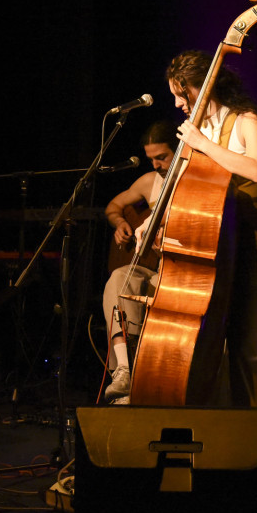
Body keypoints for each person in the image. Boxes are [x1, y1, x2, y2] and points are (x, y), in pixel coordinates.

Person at [131, 50, 257, 408]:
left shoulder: (244, 120)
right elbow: (181, 188)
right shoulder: (197, 131)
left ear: (203, 86)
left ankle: (252, 432)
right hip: (212, 244)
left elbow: (255, 169)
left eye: (183, 94)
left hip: (246, 241)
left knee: (244, 346)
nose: (179, 104)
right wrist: (150, 222)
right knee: (204, 341)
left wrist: (204, 145)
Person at [101, 121, 176, 403]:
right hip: (155, 266)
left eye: (162, 157)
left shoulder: (195, 178)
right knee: (119, 278)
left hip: (181, 270)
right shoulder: (149, 182)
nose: (156, 164)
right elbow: (113, 206)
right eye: (151, 159)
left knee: (158, 285)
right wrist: (120, 223)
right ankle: (124, 369)